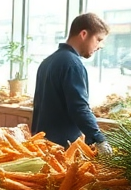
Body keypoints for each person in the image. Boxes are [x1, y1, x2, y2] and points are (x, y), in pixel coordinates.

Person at [31, 12, 111, 152]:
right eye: (98, 39)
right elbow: (79, 107)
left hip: (40, 145)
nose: (100, 46)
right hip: (61, 149)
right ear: (84, 34)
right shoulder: (72, 64)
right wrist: (98, 138)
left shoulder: (47, 62)